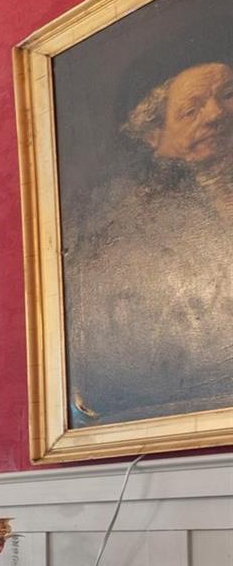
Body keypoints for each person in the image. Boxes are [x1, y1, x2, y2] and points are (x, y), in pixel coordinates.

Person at [64, 54, 233, 427]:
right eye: (191, 109)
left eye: (228, 95)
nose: (217, 114)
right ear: (155, 133)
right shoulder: (125, 217)